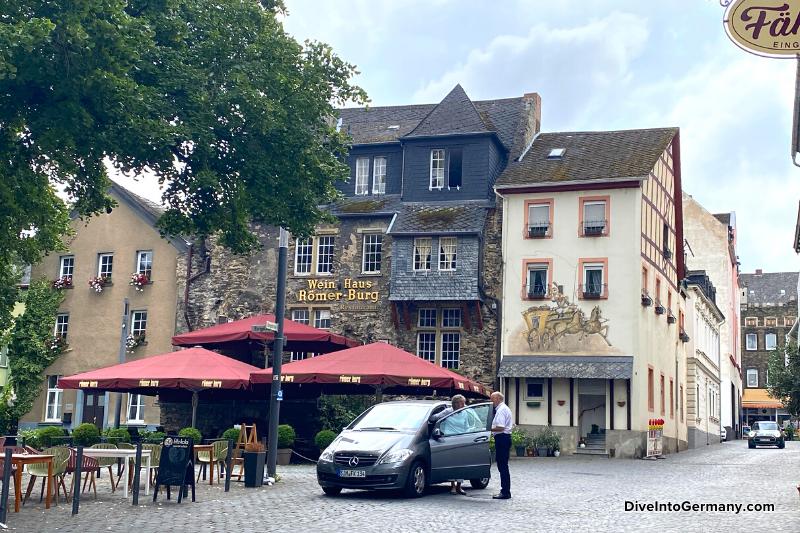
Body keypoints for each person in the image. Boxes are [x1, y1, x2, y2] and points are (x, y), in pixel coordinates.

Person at [432, 394, 468, 495]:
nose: (464, 405)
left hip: (461, 439)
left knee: (461, 463)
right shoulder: (448, 412)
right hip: (450, 439)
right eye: (462, 404)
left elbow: (466, 427)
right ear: (457, 405)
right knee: (452, 463)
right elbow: (435, 417)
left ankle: (459, 486)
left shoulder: (465, 413)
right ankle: (452, 486)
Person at [491, 391, 512, 499]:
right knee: (503, 465)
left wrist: (489, 429)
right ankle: (505, 490)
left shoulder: (501, 410)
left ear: (497, 399)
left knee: (502, 466)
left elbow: (500, 427)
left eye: (492, 399)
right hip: (504, 438)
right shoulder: (504, 408)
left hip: (502, 438)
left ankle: (505, 491)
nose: (492, 402)